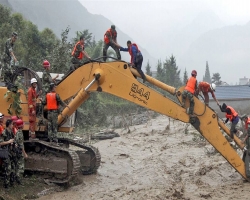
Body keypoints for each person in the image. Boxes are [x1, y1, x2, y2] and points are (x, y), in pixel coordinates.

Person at [0, 119, 15, 188]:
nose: (13, 126)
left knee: (12, 168)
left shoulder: (11, 132)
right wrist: (8, 142)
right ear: (9, 125)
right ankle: (6, 184)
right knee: (7, 169)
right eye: (12, 124)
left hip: (10, 152)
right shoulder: (4, 132)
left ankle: (11, 182)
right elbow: (1, 143)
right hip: (5, 152)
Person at [13, 119, 28, 185]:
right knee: (21, 166)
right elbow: (21, 145)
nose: (24, 125)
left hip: (17, 150)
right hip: (20, 151)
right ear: (21, 125)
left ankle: (16, 178)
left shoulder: (17, 132)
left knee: (17, 165)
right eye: (23, 124)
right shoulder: (20, 133)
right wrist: (24, 154)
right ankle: (19, 180)